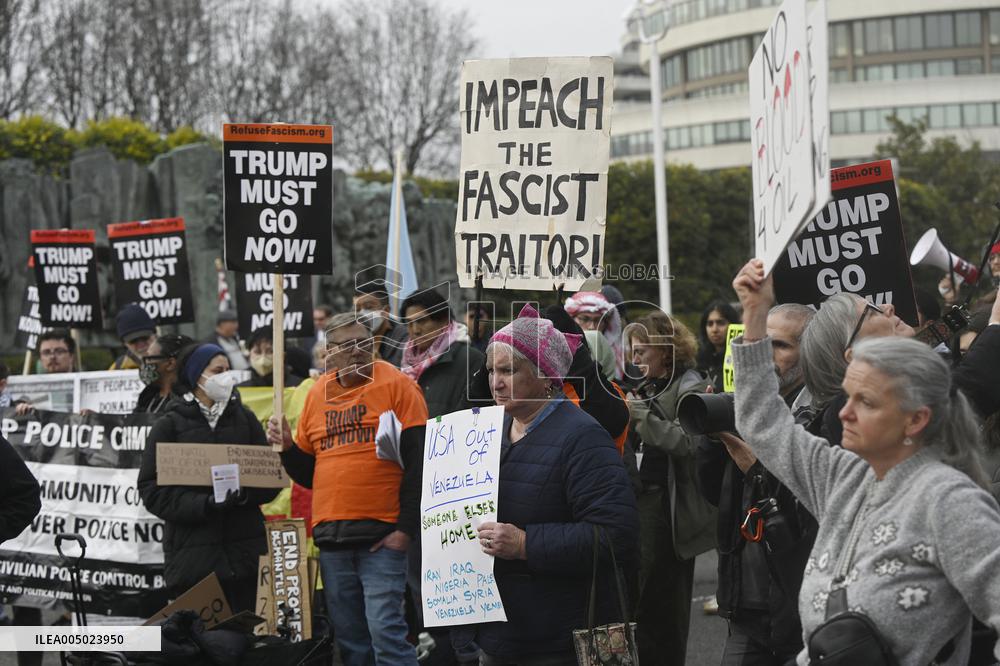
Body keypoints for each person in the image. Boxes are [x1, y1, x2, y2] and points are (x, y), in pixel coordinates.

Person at [730, 258, 1000, 665]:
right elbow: (763, 423)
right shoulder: (840, 476)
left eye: (866, 402)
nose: (843, 413)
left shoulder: (950, 502)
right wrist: (754, 312)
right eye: (848, 397)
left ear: (916, 419)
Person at [470, 304, 638, 664]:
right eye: (491, 370)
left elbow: (615, 535)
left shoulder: (583, 437)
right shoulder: (484, 433)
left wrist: (526, 544)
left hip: (559, 639)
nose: (495, 382)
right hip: (498, 633)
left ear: (547, 375)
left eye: (508, 370)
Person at [268, 312, 428, 666]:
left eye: (364, 343)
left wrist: (404, 530)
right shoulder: (316, 395)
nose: (357, 350)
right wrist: (288, 449)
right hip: (333, 540)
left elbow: (420, 464)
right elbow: (308, 475)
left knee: (386, 633)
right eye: (347, 345)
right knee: (351, 641)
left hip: (383, 536)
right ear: (329, 352)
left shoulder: (398, 385)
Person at [696, 303, 816, 665]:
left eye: (780, 345)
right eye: (760, 344)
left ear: (810, 351)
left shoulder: (821, 416)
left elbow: (810, 511)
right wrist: (713, 438)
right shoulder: (750, 408)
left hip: (798, 607)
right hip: (745, 603)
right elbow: (713, 493)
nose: (767, 356)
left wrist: (758, 469)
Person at [137, 343, 279, 612]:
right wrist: (204, 504)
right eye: (217, 371)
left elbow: (270, 479)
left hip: (246, 560)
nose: (226, 377)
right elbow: (152, 491)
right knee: (204, 637)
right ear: (196, 375)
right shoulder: (169, 425)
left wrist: (244, 494)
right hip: (193, 562)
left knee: (247, 633)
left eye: (228, 369)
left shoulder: (246, 420)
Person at [624, 312, 716, 666]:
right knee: (643, 599)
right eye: (632, 352)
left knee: (666, 606)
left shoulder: (690, 385)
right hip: (644, 498)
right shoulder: (648, 385)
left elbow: (686, 441)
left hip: (669, 507)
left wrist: (639, 415)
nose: (635, 360)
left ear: (666, 350)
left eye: (641, 351)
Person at [401, 287, 482, 418]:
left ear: (444, 320)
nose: (415, 330)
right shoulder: (402, 362)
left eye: (421, 321)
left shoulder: (471, 360)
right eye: (409, 323)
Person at [564, 290, 625, 379]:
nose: (592, 327)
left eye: (597, 320)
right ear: (571, 320)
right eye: (585, 319)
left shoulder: (620, 355)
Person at [135, 334, 194, 414]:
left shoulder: (188, 403)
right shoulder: (147, 398)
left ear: (170, 364)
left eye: (149, 358)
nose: (145, 364)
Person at [354, 284, 408, 367]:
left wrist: (382, 365)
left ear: (386, 311)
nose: (361, 314)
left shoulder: (404, 339)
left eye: (368, 307)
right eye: (357, 310)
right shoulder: (352, 340)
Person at [696, 299, 741, 393]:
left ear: (733, 325)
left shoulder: (741, 360)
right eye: (710, 324)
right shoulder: (698, 360)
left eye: (720, 323)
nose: (714, 329)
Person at [240, 327, 304, 388]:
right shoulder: (240, 388)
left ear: (283, 355)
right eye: (257, 352)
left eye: (270, 351)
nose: (263, 357)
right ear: (249, 354)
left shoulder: (299, 387)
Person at [110, 303, 157, 370]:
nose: (141, 345)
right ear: (125, 344)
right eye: (132, 341)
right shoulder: (116, 370)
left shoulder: (172, 362)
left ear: (155, 335)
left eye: (145, 337)